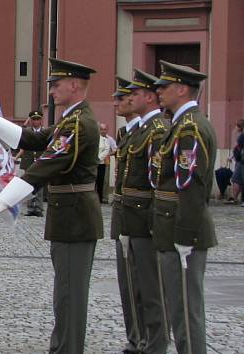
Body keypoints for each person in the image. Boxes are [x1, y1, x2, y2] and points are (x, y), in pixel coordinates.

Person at [0, 58, 103, 354]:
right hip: (68, 216)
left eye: (57, 84)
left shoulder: (79, 123)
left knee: (70, 297)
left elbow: (44, 166)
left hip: (75, 219)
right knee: (64, 295)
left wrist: (3, 201)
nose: (52, 90)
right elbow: (33, 139)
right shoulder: (69, 120)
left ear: (74, 85)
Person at [151, 60, 217, 354]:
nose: (159, 92)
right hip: (171, 227)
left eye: (164, 87)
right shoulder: (179, 124)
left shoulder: (189, 127)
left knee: (187, 310)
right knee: (177, 307)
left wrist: (184, 236)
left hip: (182, 232)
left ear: (181, 89)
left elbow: (190, 185)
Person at [125, 69, 171, 353]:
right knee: (138, 287)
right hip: (134, 215)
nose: (129, 99)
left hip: (146, 216)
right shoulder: (142, 129)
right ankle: (144, 340)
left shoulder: (157, 130)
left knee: (152, 290)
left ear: (150, 98)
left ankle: (155, 344)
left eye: (135, 94)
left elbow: (157, 179)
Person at [109, 76, 145, 353]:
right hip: (125, 215)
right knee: (128, 285)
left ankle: (145, 337)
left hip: (142, 220)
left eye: (123, 98)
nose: (118, 102)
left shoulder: (154, 131)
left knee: (145, 286)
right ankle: (135, 336)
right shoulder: (125, 133)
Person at [15, 110, 46, 216]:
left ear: (41, 120)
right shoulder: (27, 131)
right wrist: (16, 157)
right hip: (28, 161)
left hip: (41, 161)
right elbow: (20, 139)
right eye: (33, 119)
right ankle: (30, 208)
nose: (36, 121)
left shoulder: (45, 131)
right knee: (28, 184)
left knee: (39, 185)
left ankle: (38, 208)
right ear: (30, 120)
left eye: (38, 119)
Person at [97, 123, 117, 203]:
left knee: (105, 181)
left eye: (105, 129)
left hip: (106, 161)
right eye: (101, 129)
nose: (103, 131)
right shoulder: (96, 138)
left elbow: (115, 149)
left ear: (107, 130)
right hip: (96, 161)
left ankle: (104, 197)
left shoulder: (110, 139)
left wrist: (108, 154)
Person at [228, 119, 244, 205]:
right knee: (237, 179)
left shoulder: (241, 136)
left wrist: (232, 156)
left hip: (241, 160)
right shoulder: (241, 135)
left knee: (238, 179)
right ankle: (234, 198)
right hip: (239, 160)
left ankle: (237, 198)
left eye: (237, 125)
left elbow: (237, 147)